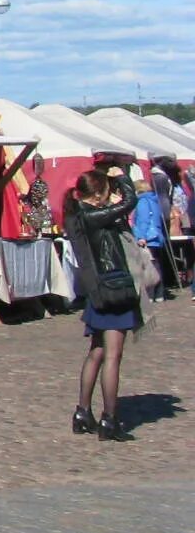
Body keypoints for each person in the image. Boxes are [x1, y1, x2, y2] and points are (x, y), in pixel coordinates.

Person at [66, 173, 141, 440]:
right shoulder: (91, 216)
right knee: (112, 355)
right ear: (97, 195)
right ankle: (110, 418)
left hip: (99, 290)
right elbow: (130, 203)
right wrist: (124, 179)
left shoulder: (80, 215)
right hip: (112, 291)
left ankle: (82, 412)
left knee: (97, 351)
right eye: (106, 192)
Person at [129, 168, 174, 300]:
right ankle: (159, 293)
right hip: (157, 236)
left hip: (148, 237)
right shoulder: (154, 200)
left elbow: (143, 221)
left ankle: (151, 293)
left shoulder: (143, 201)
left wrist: (141, 236)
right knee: (157, 264)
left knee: (149, 266)